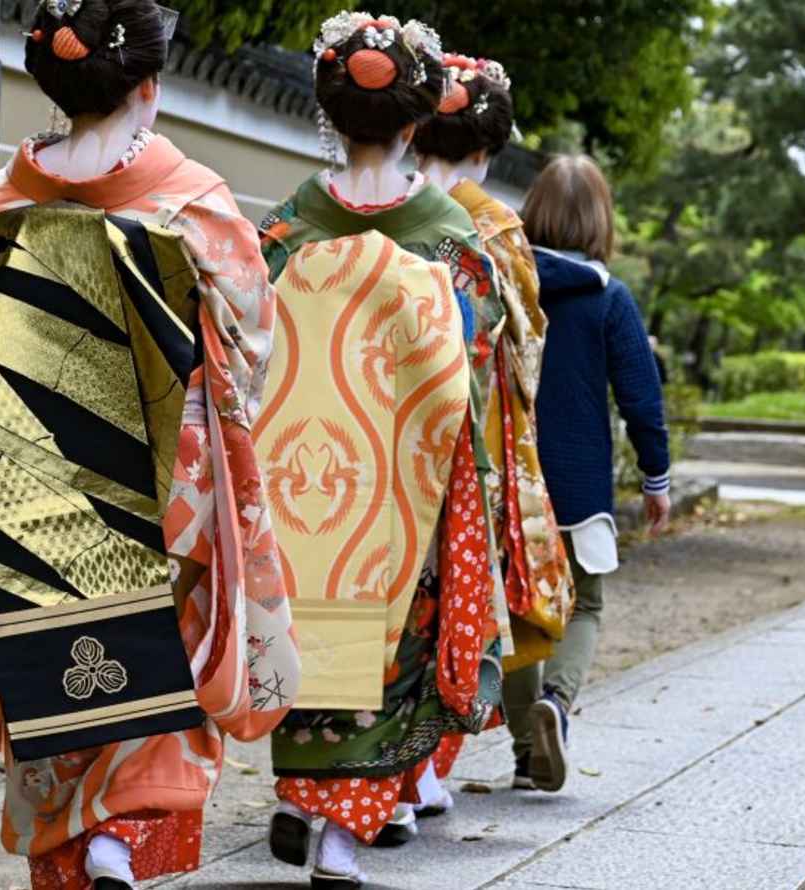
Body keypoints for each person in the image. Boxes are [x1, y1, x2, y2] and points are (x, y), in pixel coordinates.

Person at [0, 2, 299, 888]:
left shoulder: (0, 201)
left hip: (27, 466)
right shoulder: (192, 201)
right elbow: (249, 334)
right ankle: (120, 837)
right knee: (162, 656)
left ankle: (74, 840)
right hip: (165, 474)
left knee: (48, 653)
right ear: (150, 87)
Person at [256, 12, 506, 888]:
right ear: (416, 122)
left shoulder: (287, 227)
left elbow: (246, 344)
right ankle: (339, 836)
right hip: (407, 485)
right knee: (395, 646)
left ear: (330, 115)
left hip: (301, 479)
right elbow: (476, 352)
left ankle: (299, 799)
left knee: (306, 622)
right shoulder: (452, 237)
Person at [409, 53, 575, 812]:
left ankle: (377, 767)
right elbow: (526, 337)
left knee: (392, 588)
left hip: (384, 419)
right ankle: (421, 769)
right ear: (486, 148)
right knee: (458, 591)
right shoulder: (497, 226)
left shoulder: (383, 205)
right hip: (471, 431)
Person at [504, 155, 672, 794]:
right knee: (585, 605)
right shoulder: (609, 298)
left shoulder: (505, 284)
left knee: (518, 614)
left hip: (512, 479)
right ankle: (558, 701)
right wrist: (655, 479)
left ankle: (527, 754)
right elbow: (641, 400)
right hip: (579, 485)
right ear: (602, 220)